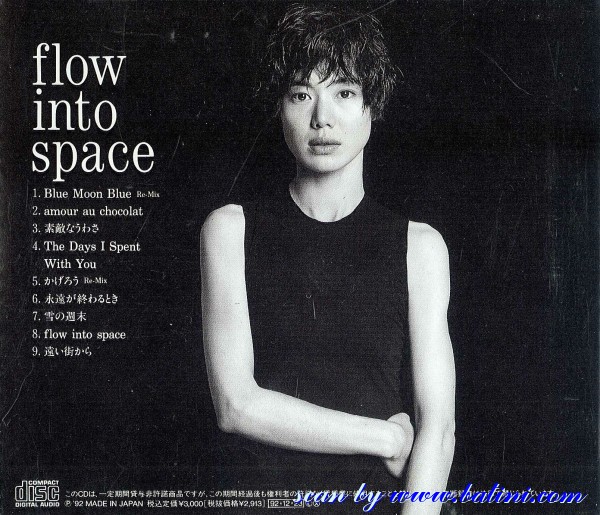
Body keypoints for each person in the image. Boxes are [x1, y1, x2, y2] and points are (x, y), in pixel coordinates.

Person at [201, 3, 455, 512]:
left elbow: (438, 427)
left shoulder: (420, 246)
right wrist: (384, 438)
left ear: (371, 107)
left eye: (344, 92)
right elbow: (236, 405)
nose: (322, 118)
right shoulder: (230, 230)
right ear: (280, 108)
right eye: (302, 94)